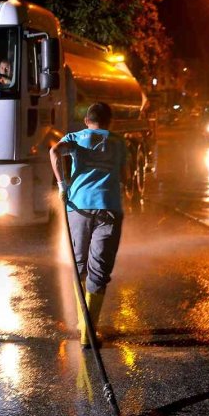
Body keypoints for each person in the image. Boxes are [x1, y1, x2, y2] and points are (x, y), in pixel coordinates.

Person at [49, 102, 128, 347]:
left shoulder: (75, 138)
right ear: (110, 121)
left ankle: (83, 324)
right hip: (109, 208)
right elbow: (124, 174)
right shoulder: (118, 142)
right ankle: (89, 332)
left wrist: (62, 184)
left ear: (86, 120)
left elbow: (54, 152)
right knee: (99, 269)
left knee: (79, 263)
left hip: (78, 207)